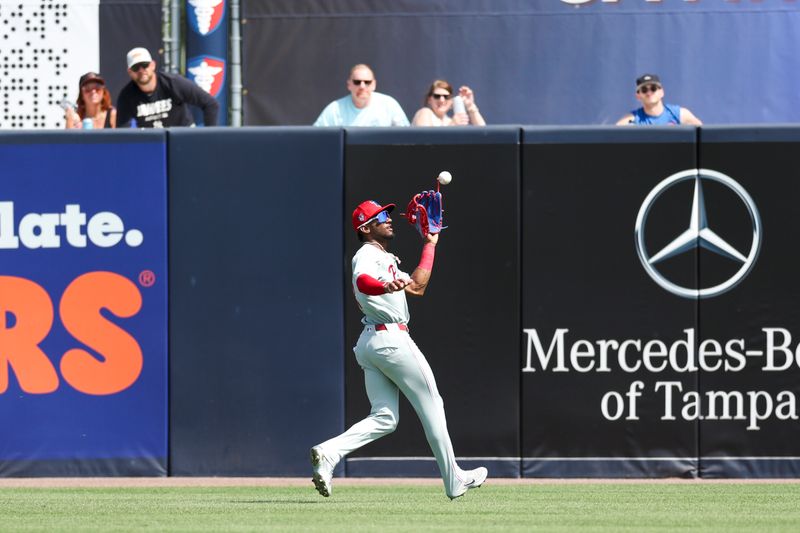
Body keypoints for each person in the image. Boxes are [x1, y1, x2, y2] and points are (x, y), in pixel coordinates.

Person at [309, 200, 487, 500]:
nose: (389, 219)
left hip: (371, 343)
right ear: (366, 228)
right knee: (432, 403)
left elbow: (418, 286)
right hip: (392, 340)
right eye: (380, 217)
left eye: (388, 214)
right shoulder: (365, 254)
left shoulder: (383, 257)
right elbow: (363, 282)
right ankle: (453, 478)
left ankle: (328, 453)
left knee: (385, 418)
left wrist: (430, 244)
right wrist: (386, 287)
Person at [116, 47, 219, 128]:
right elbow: (122, 130)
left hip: (183, 138)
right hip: (152, 144)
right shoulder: (126, 96)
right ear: (129, 72)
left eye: (145, 65)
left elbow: (210, 103)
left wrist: (209, 138)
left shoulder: (174, 83)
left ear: (153, 65)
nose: (141, 70)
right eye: (136, 67)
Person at [313, 64, 409, 127]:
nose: (362, 86)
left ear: (374, 85)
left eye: (367, 82)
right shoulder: (334, 109)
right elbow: (317, 138)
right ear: (349, 85)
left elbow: (405, 137)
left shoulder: (389, 105)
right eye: (357, 82)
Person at [616, 74, 702, 126]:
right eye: (644, 90)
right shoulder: (633, 119)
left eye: (653, 88)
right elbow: (614, 136)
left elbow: (700, 131)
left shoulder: (678, 114)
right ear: (638, 96)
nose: (649, 93)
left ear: (662, 92)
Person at [411, 80, 485, 127]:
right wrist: (452, 126)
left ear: (451, 101)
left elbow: (484, 135)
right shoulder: (425, 112)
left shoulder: (450, 121)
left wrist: (470, 106)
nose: (442, 100)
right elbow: (423, 140)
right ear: (429, 100)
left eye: (446, 97)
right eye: (437, 96)